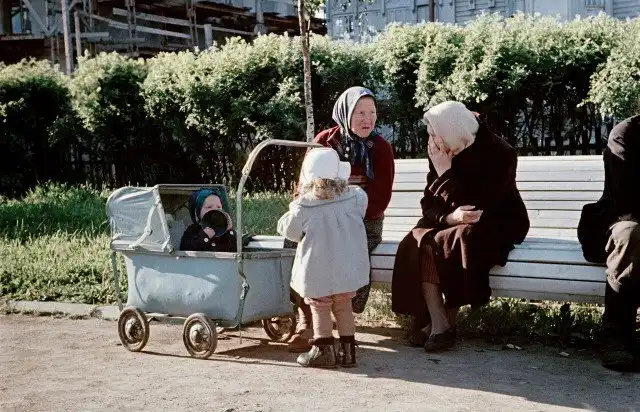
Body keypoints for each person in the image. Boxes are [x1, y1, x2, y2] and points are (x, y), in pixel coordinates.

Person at [391, 101, 530, 352]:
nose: (432, 141)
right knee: (418, 240)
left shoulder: (500, 153)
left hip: (496, 220)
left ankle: (442, 324)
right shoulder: (442, 149)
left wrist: (445, 172)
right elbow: (428, 202)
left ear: (453, 130)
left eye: (436, 134)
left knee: (453, 239)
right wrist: (447, 218)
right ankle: (439, 321)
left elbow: (475, 208)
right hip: (452, 218)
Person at [286, 86, 395, 353]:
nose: (367, 119)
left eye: (372, 112)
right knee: (296, 248)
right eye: (360, 113)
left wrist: (342, 215)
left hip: (362, 220)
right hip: (320, 215)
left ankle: (340, 318)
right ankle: (306, 319)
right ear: (345, 113)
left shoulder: (381, 148)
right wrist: (318, 213)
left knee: (343, 248)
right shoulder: (325, 140)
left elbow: (379, 199)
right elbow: (305, 184)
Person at [278, 148, 370, 368]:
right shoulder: (356, 197)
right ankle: (348, 353)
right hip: (347, 266)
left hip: (317, 268)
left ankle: (324, 350)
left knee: (320, 306)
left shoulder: (303, 206)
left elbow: (291, 232)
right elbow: (361, 215)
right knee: (343, 304)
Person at [578, 115, 640, 371]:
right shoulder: (626, 133)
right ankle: (616, 336)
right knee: (631, 234)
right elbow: (627, 197)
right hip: (620, 219)